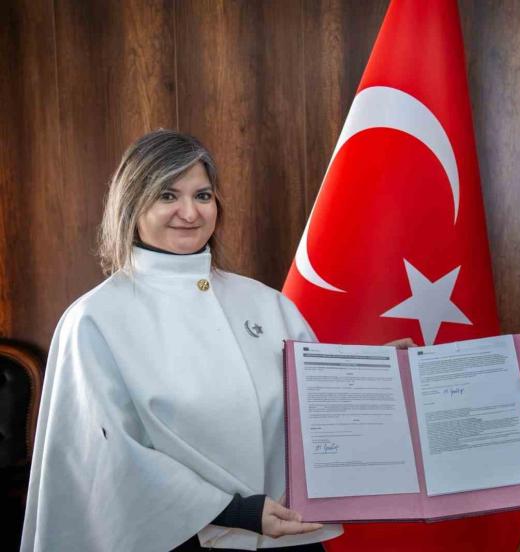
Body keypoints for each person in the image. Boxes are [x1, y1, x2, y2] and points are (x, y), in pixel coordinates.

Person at [21, 130, 346, 551]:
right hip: (175, 540)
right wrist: (235, 512)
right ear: (132, 204)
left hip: (289, 536)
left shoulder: (267, 303)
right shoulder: (93, 319)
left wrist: (375, 375)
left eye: (203, 196)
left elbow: (316, 403)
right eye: (168, 196)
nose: (190, 213)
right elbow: (109, 455)